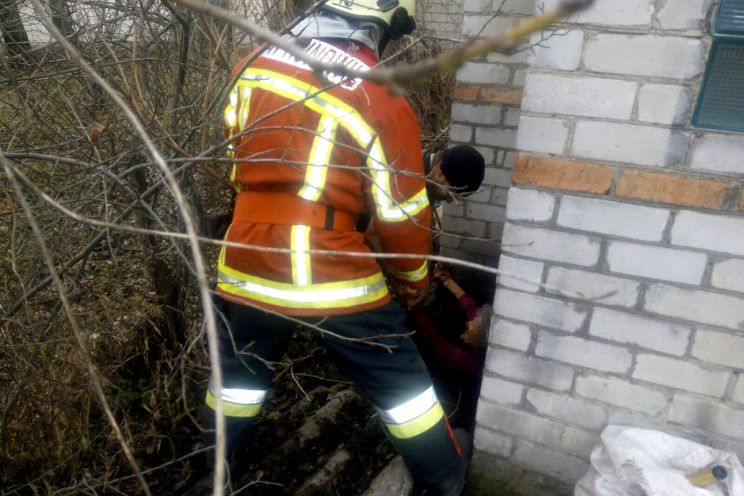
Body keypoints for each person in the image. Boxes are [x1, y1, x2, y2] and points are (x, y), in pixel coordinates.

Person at [203, 1, 470, 494]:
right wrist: (414, 284)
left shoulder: (253, 63)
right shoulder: (381, 98)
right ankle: (447, 476)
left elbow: (232, 149)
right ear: (376, 27)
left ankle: (209, 467)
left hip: (245, 264)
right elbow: (401, 216)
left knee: (236, 381)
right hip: (331, 276)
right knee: (403, 389)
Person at [408, 264, 490, 431]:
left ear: (483, 339)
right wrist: (447, 281)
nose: (469, 323)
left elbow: (435, 343)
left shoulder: (470, 365)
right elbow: (469, 305)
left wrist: (415, 310)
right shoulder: (485, 333)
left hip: (468, 401)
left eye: (473, 325)